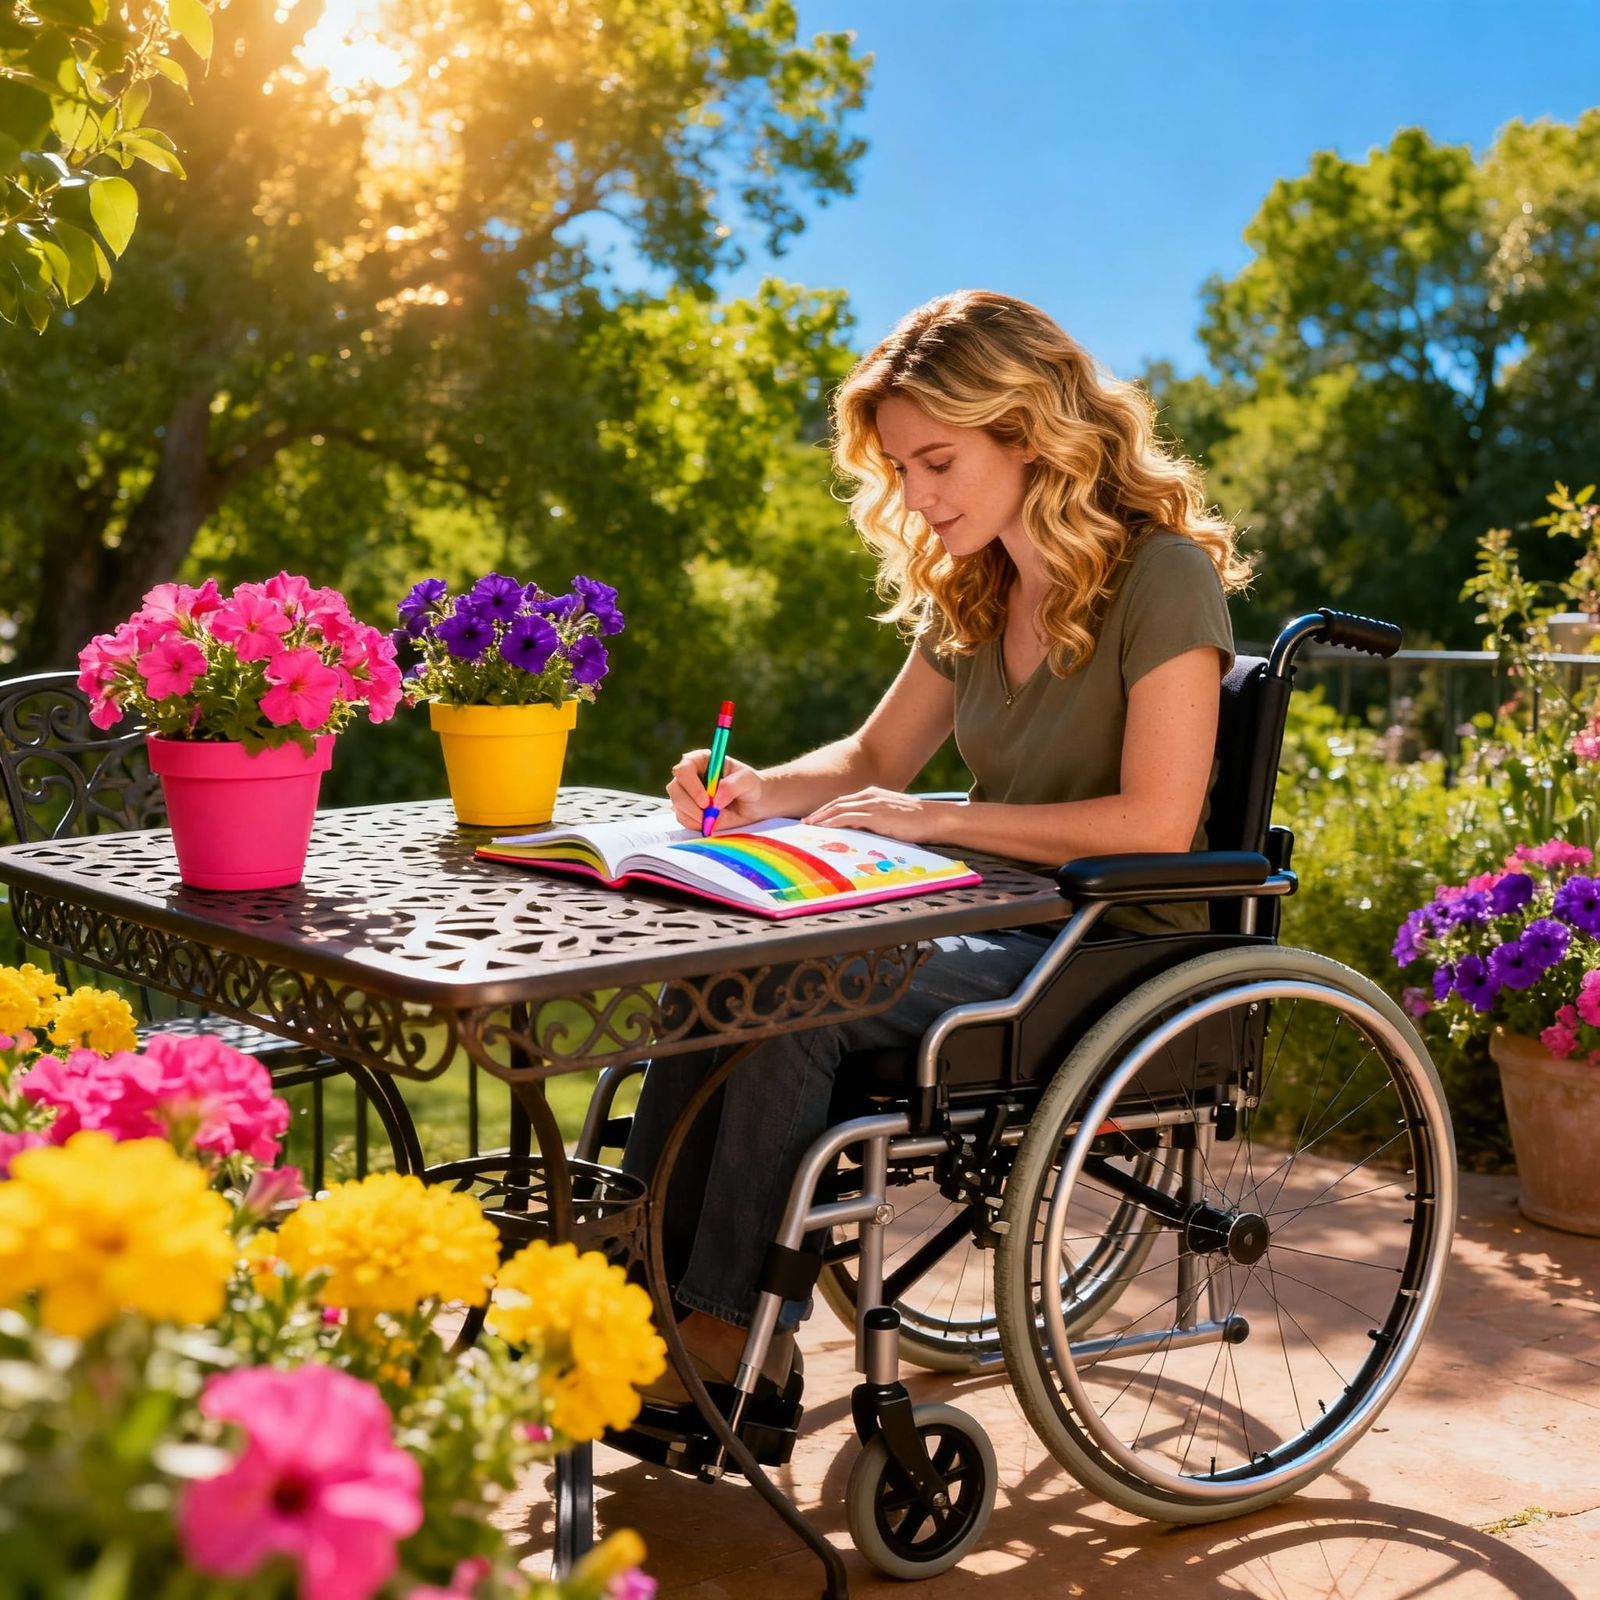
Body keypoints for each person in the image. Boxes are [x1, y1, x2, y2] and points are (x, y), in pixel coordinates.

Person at [623, 288, 1252, 1403]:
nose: (914, 496)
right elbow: (874, 757)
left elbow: (1155, 822)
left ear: (1026, 433)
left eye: (935, 462)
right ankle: (637, 1297)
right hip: (990, 916)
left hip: (1108, 942)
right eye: (901, 469)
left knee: (800, 987)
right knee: (713, 971)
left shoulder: (1163, 577)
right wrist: (754, 789)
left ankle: (730, 1339)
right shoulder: (977, 586)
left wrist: (942, 822)